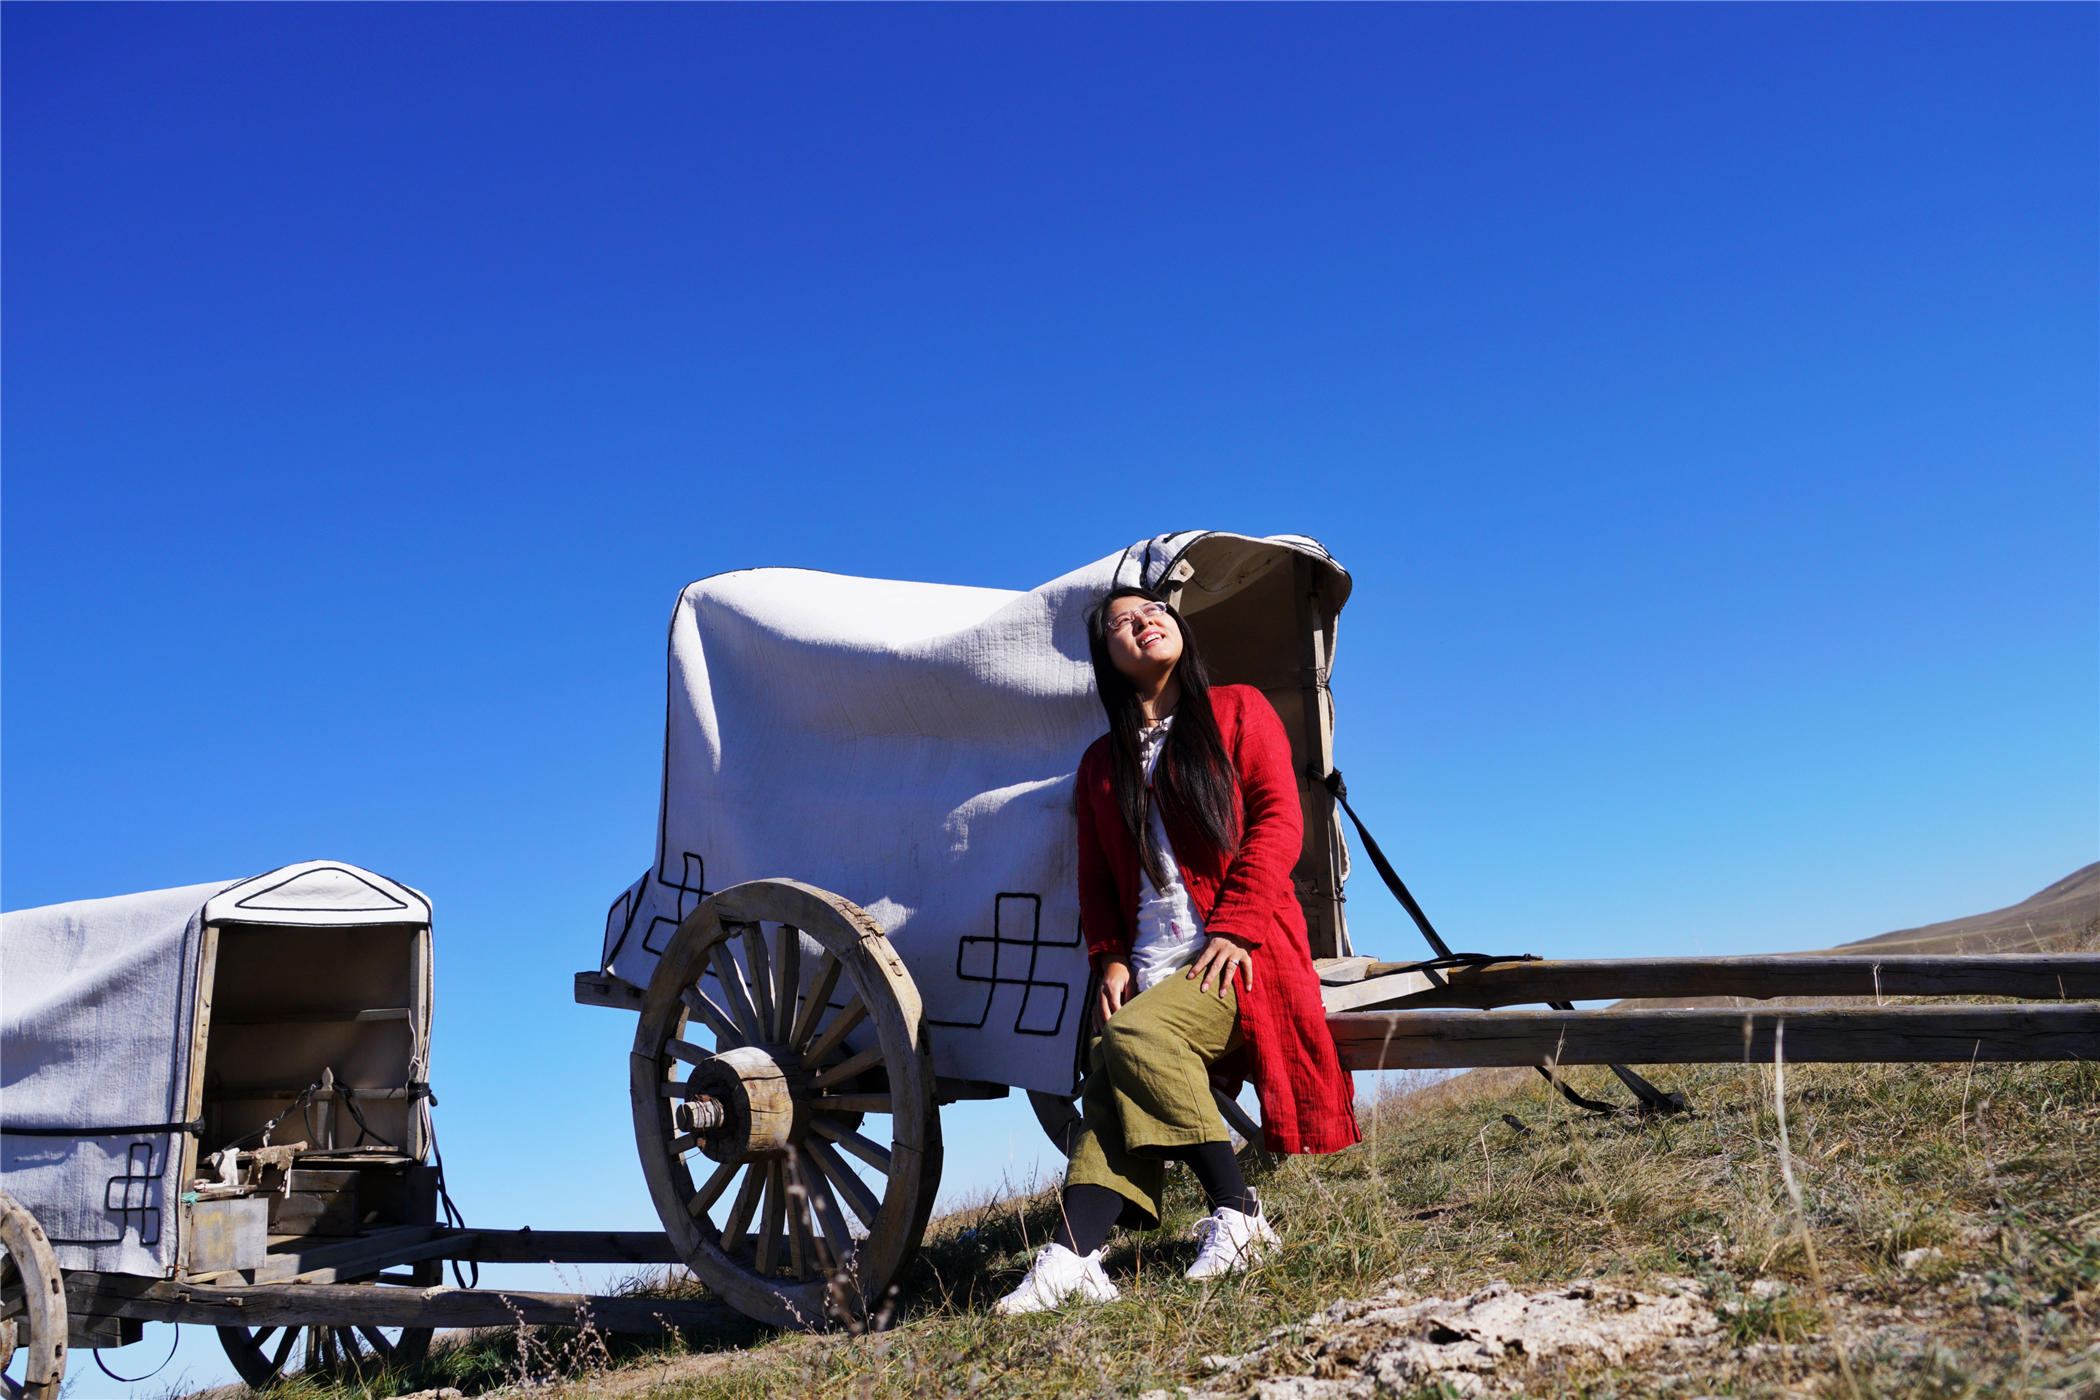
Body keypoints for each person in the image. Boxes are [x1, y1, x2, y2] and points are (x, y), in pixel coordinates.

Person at [995, 585, 1360, 1315]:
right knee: (1109, 1079)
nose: (1145, 621)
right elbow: (1096, 874)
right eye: (1124, 623)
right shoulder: (1101, 764)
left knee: (1130, 1037)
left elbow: (1279, 822)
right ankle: (1072, 1259)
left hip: (1239, 955)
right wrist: (1109, 955)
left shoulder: (1237, 709)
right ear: (1108, 657)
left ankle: (1239, 1212)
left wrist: (1235, 925)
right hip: (1153, 968)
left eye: (1155, 611)